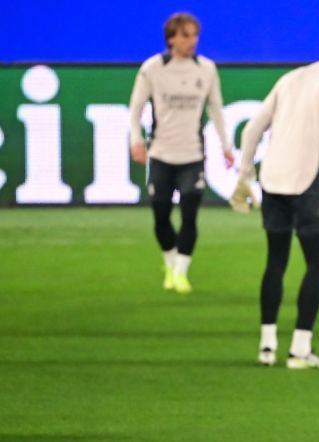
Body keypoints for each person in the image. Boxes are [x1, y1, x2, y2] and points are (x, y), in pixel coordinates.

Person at [230, 28, 319, 369]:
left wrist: (244, 176)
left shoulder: (291, 77)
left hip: (273, 181)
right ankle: (299, 349)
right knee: (318, 264)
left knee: (275, 261)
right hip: (309, 183)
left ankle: (267, 347)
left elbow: (252, 130)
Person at [128, 12, 234, 294]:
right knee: (161, 216)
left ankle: (181, 273)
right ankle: (170, 263)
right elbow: (136, 107)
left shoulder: (206, 69)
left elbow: (216, 108)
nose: (192, 41)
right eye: (186, 35)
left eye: (195, 35)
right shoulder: (153, 68)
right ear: (171, 38)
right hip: (161, 154)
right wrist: (136, 140)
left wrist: (226, 145)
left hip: (193, 156)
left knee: (189, 215)